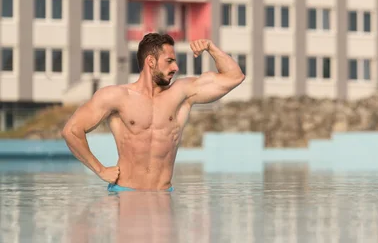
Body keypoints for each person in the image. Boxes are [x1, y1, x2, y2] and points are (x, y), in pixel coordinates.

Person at [61, 33, 245, 192]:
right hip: (126, 194)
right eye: (169, 61)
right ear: (151, 61)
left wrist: (211, 48)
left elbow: (234, 77)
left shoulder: (182, 93)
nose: (175, 68)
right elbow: (71, 131)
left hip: (163, 195)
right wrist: (100, 170)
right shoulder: (117, 96)